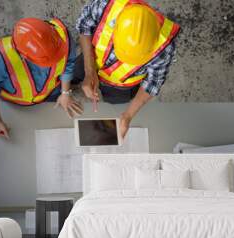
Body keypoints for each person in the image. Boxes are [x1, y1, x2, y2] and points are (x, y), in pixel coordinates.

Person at [75, 0, 180, 138]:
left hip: (121, 87)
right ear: (115, 29)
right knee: (75, 75)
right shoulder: (106, 6)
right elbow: (84, 27)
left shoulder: (165, 46)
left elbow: (153, 83)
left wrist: (127, 116)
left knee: (112, 101)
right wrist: (89, 71)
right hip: (88, 60)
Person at [0, 18, 82, 138]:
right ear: (24, 56)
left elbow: (68, 64)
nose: (54, 63)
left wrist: (65, 93)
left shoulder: (63, 39)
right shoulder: (2, 59)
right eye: (46, 61)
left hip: (51, 93)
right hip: (17, 104)